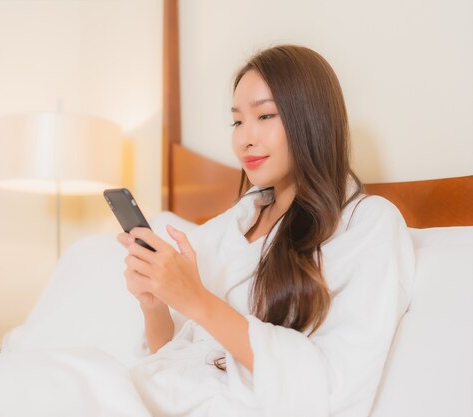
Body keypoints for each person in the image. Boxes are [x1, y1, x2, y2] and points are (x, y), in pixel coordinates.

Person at [117, 44, 415, 417]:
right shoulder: (224, 230)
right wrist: (156, 304)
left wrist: (195, 298)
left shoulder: (365, 225)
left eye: (265, 115)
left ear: (312, 120)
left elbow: (332, 390)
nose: (245, 138)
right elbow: (171, 359)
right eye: (238, 121)